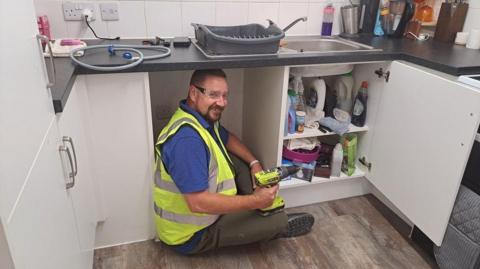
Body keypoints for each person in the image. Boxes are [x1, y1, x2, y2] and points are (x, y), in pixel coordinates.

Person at [153, 69, 314, 255]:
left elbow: (227, 138)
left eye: (224, 96)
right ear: (193, 93)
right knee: (277, 221)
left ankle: (254, 210)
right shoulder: (187, 141)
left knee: (238, 159)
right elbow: (198, 203)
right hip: (191, 234)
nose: (221, 103)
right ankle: (274, 223)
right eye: (213, 95)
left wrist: (254, 163)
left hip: (204, 214)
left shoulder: (197, 117)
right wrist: (254, 201)